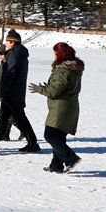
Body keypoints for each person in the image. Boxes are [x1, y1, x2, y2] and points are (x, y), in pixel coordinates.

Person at [0, 29, 40, 152]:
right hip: (13, 92)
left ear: (12, 42)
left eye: (7, 41)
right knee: (3, 117)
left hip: (12, 93)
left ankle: (33, 143)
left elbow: (9, 74)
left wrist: (2, 91)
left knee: (19, 118)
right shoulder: (16, 53)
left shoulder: (15, 55)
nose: (5, 44)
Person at [30, 42, 85, 173]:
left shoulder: (63, 70)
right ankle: (56, 165)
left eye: (55, 52)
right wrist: (48, 87)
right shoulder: (73, 67)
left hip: (61, 108)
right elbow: (60, 87)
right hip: (70, 106)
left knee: (50, 135)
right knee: (59, 137)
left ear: (59, 54)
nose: (54, 56)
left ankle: (71, 158)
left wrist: (40, 89)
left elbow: (54, 91)